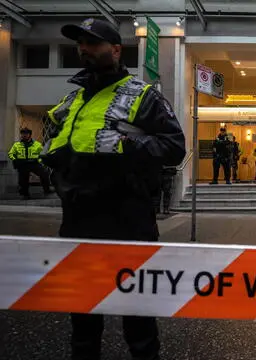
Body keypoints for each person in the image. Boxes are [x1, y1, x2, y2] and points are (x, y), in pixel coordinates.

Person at [41, 18, 185, 360]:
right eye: (80, 44)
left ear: (116, 50)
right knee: (83, 321)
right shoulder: (74, 98)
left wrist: (125, 146)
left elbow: (174, 146)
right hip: (78, 219)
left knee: (137, 320)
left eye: (93, 43)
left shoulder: (143, 95)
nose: (84, 50)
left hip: (127, 220)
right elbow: (57, 138)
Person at [8, 128, 53, 199]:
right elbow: (11, 153)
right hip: (22, 164)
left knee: (44, 173)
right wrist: (15, 160)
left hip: (34, 163)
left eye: (26, 134)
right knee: (23, 179)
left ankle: (47, 190)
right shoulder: (16, 145)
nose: (24, 135)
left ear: (30, 135)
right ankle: (25, 194)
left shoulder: (37, 144)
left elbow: (42, 154)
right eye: (22, 134)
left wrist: (39, 161)